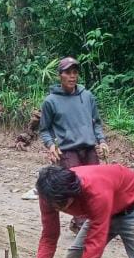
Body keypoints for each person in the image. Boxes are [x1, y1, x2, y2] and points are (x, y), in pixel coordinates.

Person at [26, 57, 109, 200]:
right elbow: (44, 129)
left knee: (94, 188)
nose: (72, 76)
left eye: (75, 72)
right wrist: (51, 145)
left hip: (89, 150)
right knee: (74, 189)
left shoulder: (87, 96)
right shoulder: (50, 101)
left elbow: (96, 122)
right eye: (68, 72)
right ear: (60, 75)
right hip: (68, 152)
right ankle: (75, 218)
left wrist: (102, 141)